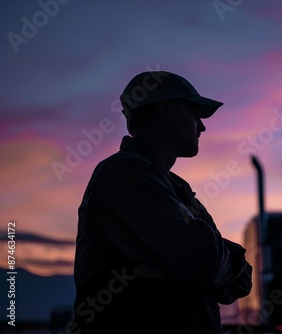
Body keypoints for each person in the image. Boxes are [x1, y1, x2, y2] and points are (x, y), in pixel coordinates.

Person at [70, 70, 252, 333]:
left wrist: (181, 268)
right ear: (166, 109)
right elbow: (205, 263)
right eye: (194, 113)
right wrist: (200, 266)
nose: (202, 126)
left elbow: (242, 280)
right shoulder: (121, 174)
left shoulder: (178, 190)